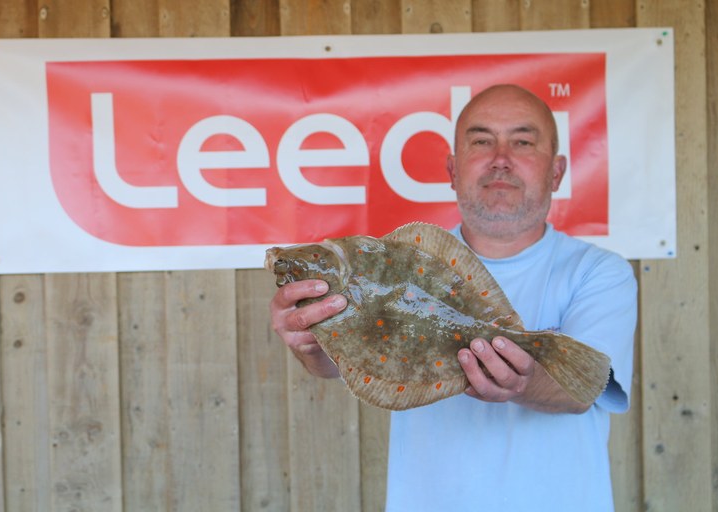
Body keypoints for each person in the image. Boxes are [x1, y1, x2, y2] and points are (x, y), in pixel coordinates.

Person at [269, 84, 637, 511]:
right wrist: (312, 344)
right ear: (452, 169)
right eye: (481, 141)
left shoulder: (599, 272)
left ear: (555, 171)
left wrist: (523, 381)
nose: (501, 158)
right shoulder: (394, 268)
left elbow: (583, 388)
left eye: (523, 141)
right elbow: (338, 363)